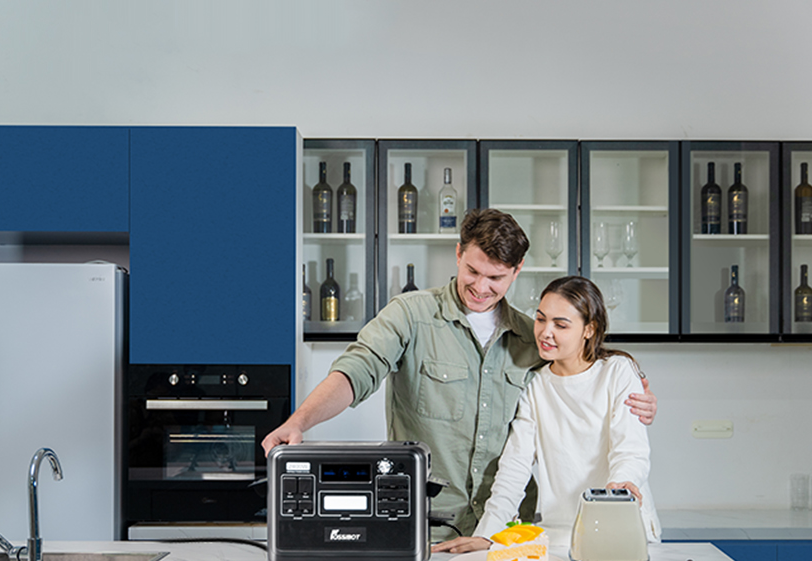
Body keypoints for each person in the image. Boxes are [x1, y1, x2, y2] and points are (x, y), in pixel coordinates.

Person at [262, 209, 658, 539]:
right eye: (473, 271)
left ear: (517, 271)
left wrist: (639, 399)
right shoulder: (411, 315)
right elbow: (357, 370)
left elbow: (579, 382)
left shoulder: (530, 339)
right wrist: (299, 421)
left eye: (496, 278)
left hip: (507, 530)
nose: (481, 287)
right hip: (427, 523)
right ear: (458, 253)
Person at [433, 276, 662, 553]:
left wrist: (621, 486)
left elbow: (631, 449)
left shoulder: (618, 372)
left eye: (560, 325)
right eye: (541, 319)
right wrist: (488, 534)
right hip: (564, 535)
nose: (545, 332)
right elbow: (514, 467)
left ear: (589, 329)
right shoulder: (535, 385)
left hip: (623, 528)